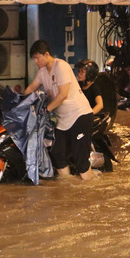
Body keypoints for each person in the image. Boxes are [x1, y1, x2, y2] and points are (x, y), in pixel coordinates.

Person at [24, 40, 94, 181]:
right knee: (57, 153)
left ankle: (89, 189)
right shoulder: (42, 73)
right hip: (63, 120)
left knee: (80, 158)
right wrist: (20, 102)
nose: (36, 61)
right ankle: (68, 186)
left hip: (79, 115)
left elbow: (63, 94)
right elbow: (31, 88)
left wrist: (46, 110)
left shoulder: (61, 66)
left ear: (47, 54)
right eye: (34, 58)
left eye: (38, 58)